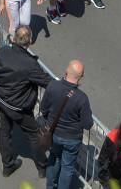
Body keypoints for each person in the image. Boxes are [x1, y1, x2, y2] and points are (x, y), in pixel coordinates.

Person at [0, 25, 53, 177]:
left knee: (5, 131)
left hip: (1, 100)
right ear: (29, 41)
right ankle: (42, 167)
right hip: (19, 108)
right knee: (34, 136)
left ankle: (7, 165)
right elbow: (48, 83)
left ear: (14, 38)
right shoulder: (30, 64)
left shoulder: (3, 52)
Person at [39, 59, 91, 189]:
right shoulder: (82, 98)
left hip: (53, 133)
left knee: (54, 157)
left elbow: (43, 108)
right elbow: (87, 124)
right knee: (67, 167)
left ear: (66, 71)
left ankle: (50, 186)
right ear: (81, 77)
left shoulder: (52, 86)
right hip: (72, 139)